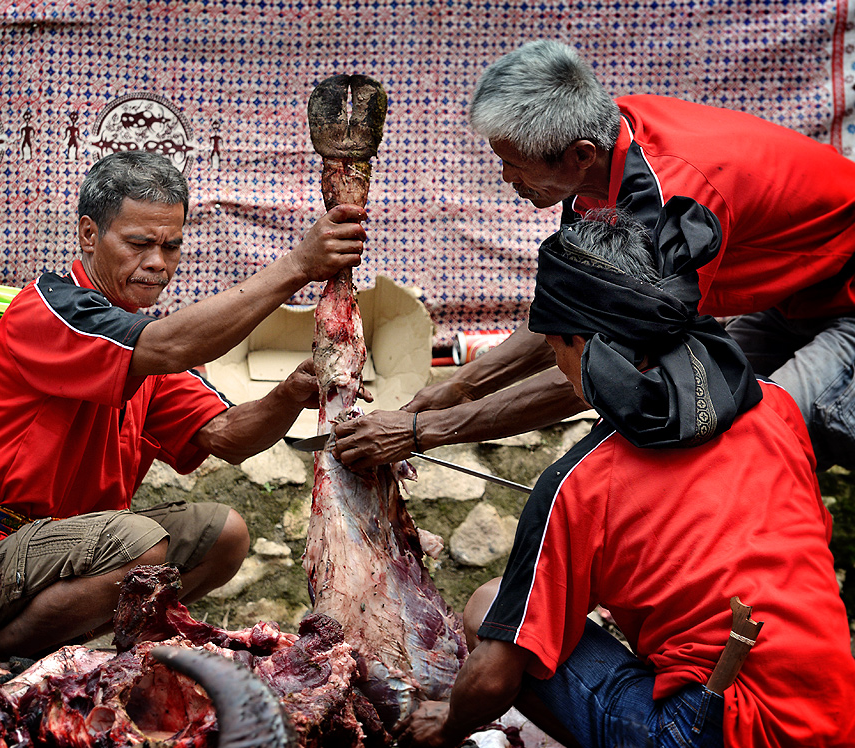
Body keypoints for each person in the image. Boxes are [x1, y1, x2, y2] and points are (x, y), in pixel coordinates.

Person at [393, 210, 855, 748]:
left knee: (492, 609)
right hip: (833, 710)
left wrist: (450, 722)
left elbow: (494, 676)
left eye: (554, 347)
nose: (555, 361)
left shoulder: (580, 483)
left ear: (583, 348)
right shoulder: (772, 405)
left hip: (715, 730)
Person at [0, 150, 368, 657]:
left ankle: (75, 648)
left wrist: (291, 393)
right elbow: (171, 345)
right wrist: (298, 266)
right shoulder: (50, 309)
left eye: (171, 246)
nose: (157, 263)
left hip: (70, 553)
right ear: (88, 235)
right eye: (139, 243)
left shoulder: (146, 348)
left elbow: (229, 437)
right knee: (140, 544)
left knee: (223, 535)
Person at [333, 39, 855, 472]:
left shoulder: (673, 201)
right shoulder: (607, 143)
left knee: (753, 448)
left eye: (515, 165)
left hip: (846, 299)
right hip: (793, 293)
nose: (508, 180)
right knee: (669, 427)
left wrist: (427, 430)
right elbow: (575, 316)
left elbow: (607, 370)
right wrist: (461, 386)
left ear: (581, 154)